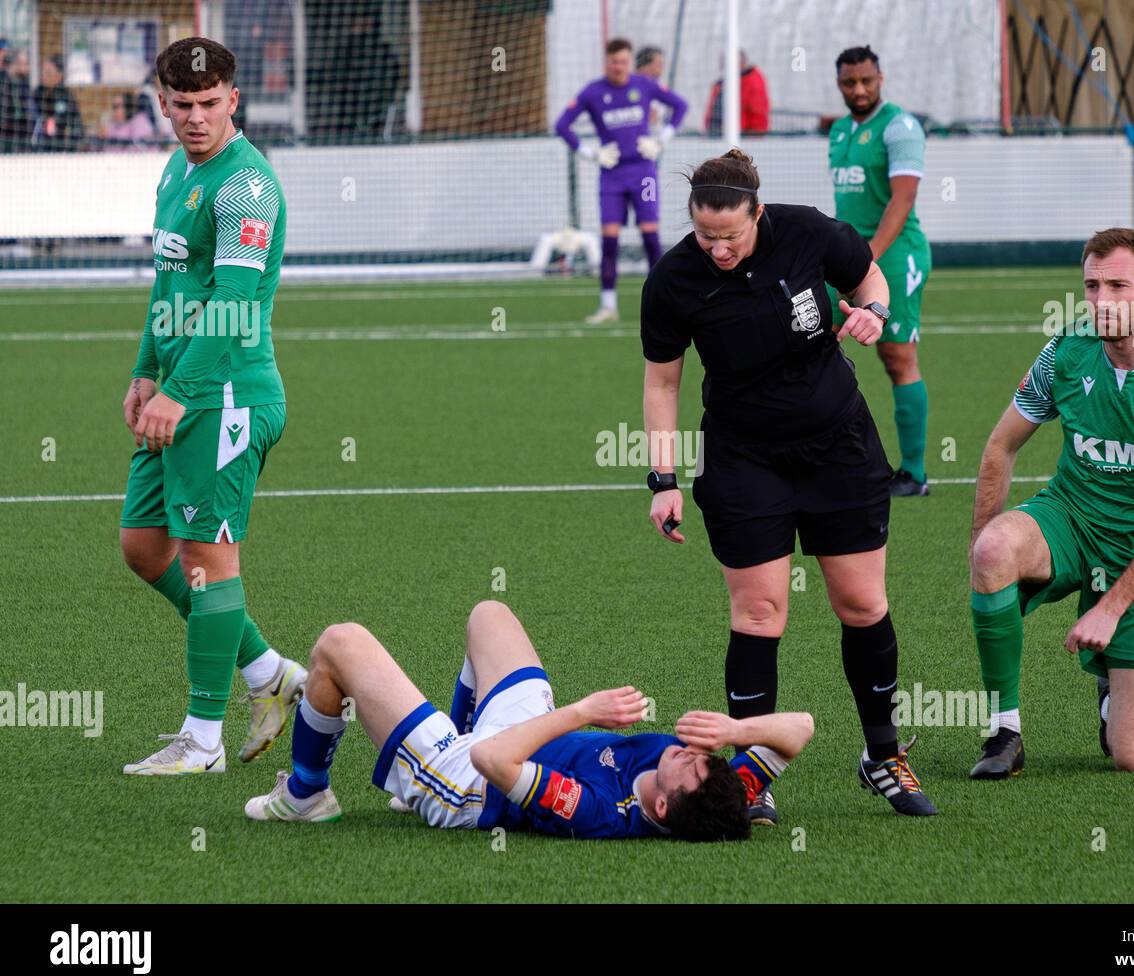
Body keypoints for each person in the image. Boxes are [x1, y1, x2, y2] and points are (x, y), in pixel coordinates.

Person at [640, 148, 938, 824]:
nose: (717, 248)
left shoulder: (808, 232)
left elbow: (871, 280)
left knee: (862, 605)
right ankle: (752, 774)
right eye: (705, 234)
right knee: (759, 614)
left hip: (839, 446)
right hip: (743, 459)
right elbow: (663, 384)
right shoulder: (673, 280)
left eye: (731, 235)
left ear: (758, 211)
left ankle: (883, 756)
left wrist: (873, 313)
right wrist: (662, 477)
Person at [967, 228, 1134, 778]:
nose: (1102, 301)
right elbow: (1000, 446)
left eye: (1117, 285)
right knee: (994, 550)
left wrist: (1110, 609)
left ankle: (1115, 685)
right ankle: (1003, 731)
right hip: (1073, 518)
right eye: (1091, 286)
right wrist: (981, 547)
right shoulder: (1066, 350)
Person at [245, 600, 814, 841]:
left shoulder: (593, 811)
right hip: (531, 737)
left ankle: (306, 795)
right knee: (489, 616)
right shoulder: (717, 792)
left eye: (688, 766)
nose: (692, 753)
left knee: (340, 645)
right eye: (703, 756)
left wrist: (583, 712)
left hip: (470, 780)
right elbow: (802, 729)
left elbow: (492, 759)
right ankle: (442, 732)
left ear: (662, 807)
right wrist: (738, 733)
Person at [120, 37, 300, 776]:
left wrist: (178, 391)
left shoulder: (246, 186)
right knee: (143, 545)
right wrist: (142, 371)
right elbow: (171, 286)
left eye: (209, 103)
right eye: (182, 105)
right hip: (178, 388)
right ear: (162, 103)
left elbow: (231, 303)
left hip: (225, 396)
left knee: (206, 562)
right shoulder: (177, 167)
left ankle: (202, 742)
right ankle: (268, 674)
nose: (196, 118)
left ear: (233, 100)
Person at [828, 46, 933, 497]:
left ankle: (913, 473)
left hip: (893, 256)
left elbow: (902, 200)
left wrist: (865, 257)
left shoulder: (900, 127)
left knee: (897, 359)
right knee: (818, 347)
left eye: (866, 81)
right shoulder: (837, 131)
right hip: (847, 256)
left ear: (880, 78)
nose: (858, 89)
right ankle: (825, 459)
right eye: (850, 82)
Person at [555, 38, 688, 324]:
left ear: (630, 62)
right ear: (607, 62)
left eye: (624, 61)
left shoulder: (645, 85)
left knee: (650, 237)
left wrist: (661, 140)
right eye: (614, 62)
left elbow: (680, 106)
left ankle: (663, 305)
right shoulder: (593, 92)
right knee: (610, 240)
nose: (619, 67)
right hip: (611, 176)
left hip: (643, 173)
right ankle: (608, 306)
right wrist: (591, 153)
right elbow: (561, 125)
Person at [703, 50, 769, 135]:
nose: (723, 67)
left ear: (741, 63)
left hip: (741, 137)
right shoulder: (723, 83)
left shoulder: (752, 82)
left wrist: (754, 137)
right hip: (717, 134)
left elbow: (758, 113)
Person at [32, 54, 82, 151]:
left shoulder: (66, 96)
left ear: (59, 76)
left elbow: (76, 125)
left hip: (62, 148)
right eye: (42, 72)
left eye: (48, 73)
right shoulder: (36, 94)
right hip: (40, 147)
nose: (44, 76)